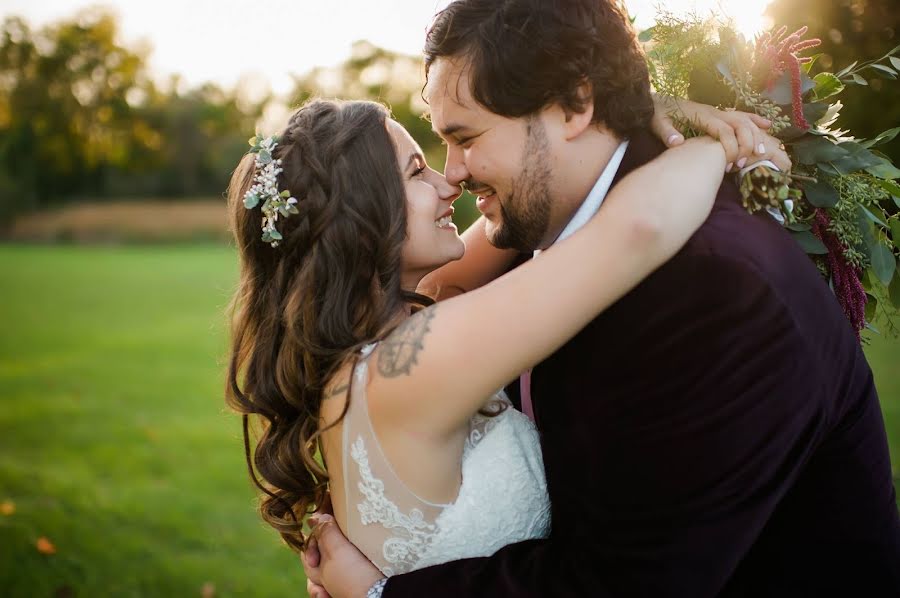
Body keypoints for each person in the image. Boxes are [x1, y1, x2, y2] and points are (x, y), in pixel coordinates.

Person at [302, 1, 900, 596]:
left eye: (467, 138)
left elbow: (624, 582)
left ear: (574, 105)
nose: (451, 174)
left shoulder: (713, 290)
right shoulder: (543, 237)